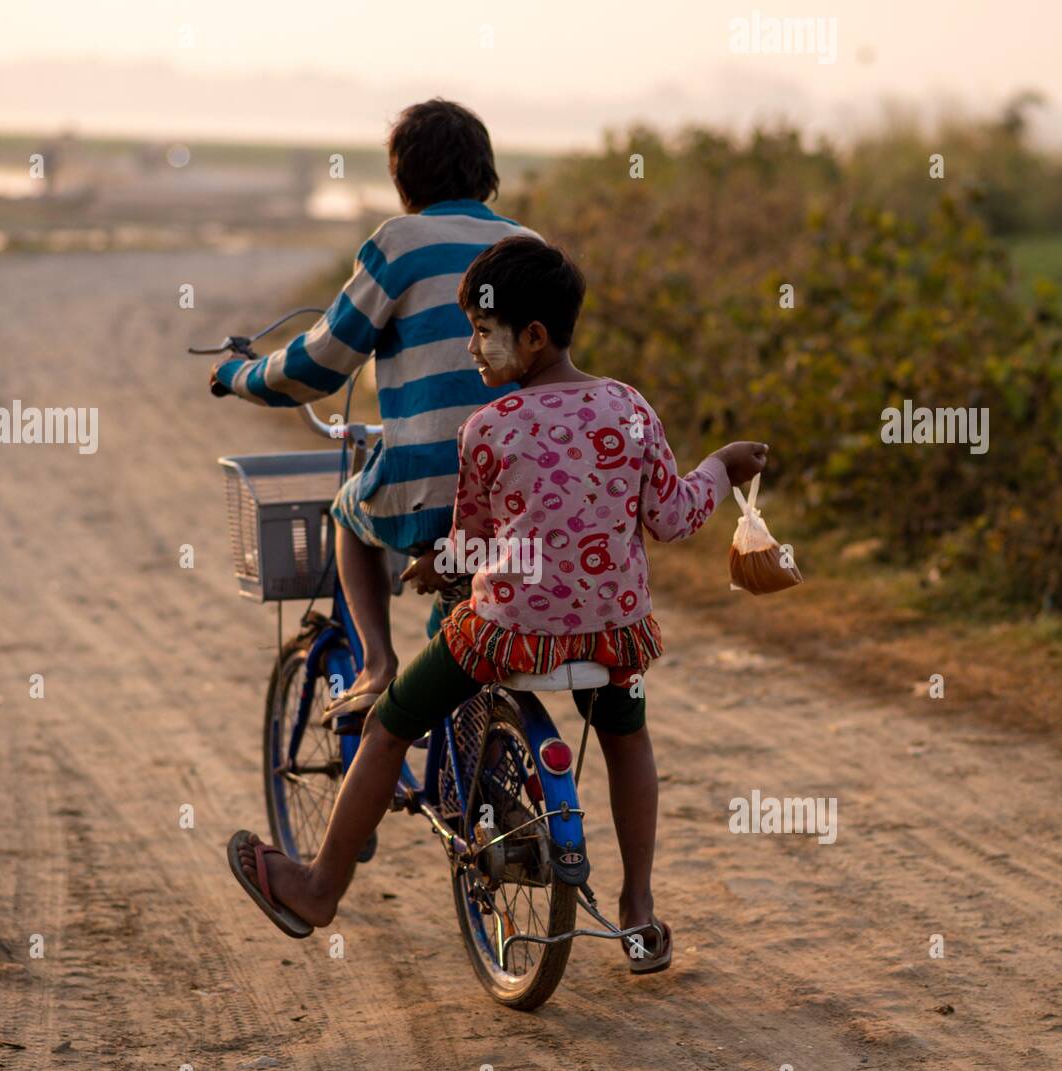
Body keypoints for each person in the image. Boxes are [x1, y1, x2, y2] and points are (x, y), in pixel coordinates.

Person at [228, 237, 767, 974]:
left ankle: (320, 889)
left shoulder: (489, 428)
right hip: (614, 641)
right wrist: (720, 465)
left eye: (483, 333)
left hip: (510, 638)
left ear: (534, 337)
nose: (473, 350)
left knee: (389, 725)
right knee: (627, 740)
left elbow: (473, 547)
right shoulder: (630, 408)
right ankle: (638, 913)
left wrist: (431, 563)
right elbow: (672, 519)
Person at [212, 99, 537, 723]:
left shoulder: (399, 242)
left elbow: (319, 363)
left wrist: (239, 376)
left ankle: (377, 664)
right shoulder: (525, 243)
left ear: (403, 179)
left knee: (346, 514)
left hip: (436, 486)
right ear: (487, 174)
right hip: (525, 493)